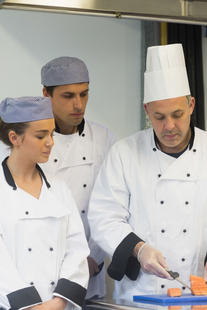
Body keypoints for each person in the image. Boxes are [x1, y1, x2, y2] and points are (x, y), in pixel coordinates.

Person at [88, 43, 207, 299]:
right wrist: (139, 249)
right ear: (146, 112)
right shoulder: (125, 153)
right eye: (159, 117)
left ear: (192, 105)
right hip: (140, 294)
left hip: (201, 292)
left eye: (177, 114)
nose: (169, 126)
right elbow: (103, 217)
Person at [0, 96, 89, 310]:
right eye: (41, 136)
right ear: (15, 138)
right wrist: (32, 307)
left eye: (51, 133)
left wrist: (59, 302)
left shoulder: (59, 188)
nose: (51, 142)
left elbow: (76, 248)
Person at [40, 57, 116, 302]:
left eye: (84, 94)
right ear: (46, 94)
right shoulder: (31, 140)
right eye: (68, 95)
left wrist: (90, 254)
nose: (78, 104)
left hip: (91, 265)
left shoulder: (104, 138)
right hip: (42, 263)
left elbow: (110, 205)